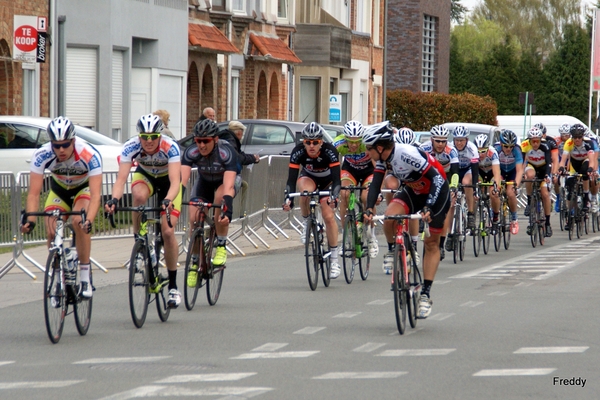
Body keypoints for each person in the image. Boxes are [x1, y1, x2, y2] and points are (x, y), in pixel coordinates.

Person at [362, 121, 450, 319]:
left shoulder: (405, 153)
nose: (367, 153)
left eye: (369, 148)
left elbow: (436, 178)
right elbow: (376, 182)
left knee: (431, 243)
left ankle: (426, 294)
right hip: (414, 189)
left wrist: (428, 206)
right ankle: (393, 250)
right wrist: (368, 208)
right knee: (390, 216)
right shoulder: (384, 158)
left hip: (436, 190)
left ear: (380, 147)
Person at [105, 114, 182, 307]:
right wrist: (114, 200)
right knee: (138, 196)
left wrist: (168, 200)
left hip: (168, 182)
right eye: (144, 137)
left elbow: (175, 181)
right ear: (139, 136)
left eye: (153, 137)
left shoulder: (170, 146)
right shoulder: (131, 146)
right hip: (146, 175)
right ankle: (139, 239)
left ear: (160, 135)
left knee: (167, 231)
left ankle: (173, 287)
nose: (149, 141)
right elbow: (121, 179)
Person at [21, 116, 103, 298]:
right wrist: (30, 220)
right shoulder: (42, 155)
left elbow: (96, 195)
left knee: (78, 221)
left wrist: (88, 219)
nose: (61, 149)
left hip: (83, 189)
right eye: (56, 145)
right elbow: (34, 193)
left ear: (73, 141)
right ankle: (58, 276)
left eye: (65, 144)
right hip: (59, 191)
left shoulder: (89, 154)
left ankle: (84, 276)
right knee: (51, 230)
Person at [180, 119, 241, 287]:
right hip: (205, 181)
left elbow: (228, 185)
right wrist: (174, 202)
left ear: (215, 139)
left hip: (227, 180)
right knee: (194, 218)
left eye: (205, 141)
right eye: (198, 141)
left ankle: (221, 244)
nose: (201, 145)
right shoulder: (191, 152)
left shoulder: (225, 151)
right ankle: (194, 263)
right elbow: (182, 181)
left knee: (219, 202)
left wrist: (227, 210)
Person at [282, 122, 342, 279]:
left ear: (321, 142)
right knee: (305, 192)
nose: (311, 146)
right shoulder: (298, 152)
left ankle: (334, 260)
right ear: (304, 142)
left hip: (328, 182)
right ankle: (307, 222)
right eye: (308, 142)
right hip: (309, 178)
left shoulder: (330, 151)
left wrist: (334, 197)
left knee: (328, 216)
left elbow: (337, 181)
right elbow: (290, 181)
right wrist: (288, 199)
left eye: (315, 142)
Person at [333, 120, 379, 259]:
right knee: (344, 193)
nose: (353, 145)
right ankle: (346, 237)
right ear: (345, 138)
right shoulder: (338, 144)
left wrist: (378, 190)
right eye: (350, 141)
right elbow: (332, 164)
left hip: (368, 171)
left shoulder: (367, 143)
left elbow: (377, 167)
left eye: (357, 141)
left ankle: (372, 236)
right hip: (350, 170)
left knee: (366, 197)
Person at [383, 127, 422, 266]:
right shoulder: (389, 149)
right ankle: (392, 207)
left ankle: (415, 247)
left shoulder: (418, 150)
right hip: (395, 174)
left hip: (412, 178)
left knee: (413, 212)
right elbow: (382, 172)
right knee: (391, 185)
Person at [420, 125, 459, 260]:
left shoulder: (451, 150)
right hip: (429, 177)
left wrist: (453, 187)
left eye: (443, 141)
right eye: (438, 141)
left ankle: (441, 245)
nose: (441, 144)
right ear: (432, 139)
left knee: (447, 207)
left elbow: (455, 172)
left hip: (446, 177)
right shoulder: (423, 148)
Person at [559, 124, 596, 229]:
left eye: (579, 137)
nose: (577, 139)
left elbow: (592, 160)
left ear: (582, 136)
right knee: (570, 189)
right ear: (572, 137)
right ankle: (571, 215)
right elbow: (563, 160)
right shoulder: (568, 143)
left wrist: (591, 168)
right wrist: (561, 168)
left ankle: (585, 197)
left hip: (585, 161)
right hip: (574, 164)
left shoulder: (588, 143)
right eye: (575, 137)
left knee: (585, 171)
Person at [521, 127, 553, 237]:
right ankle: (530, 202)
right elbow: (521, 162)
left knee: (544, 194)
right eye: (533, 141)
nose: (535, 144)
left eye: (537, 141)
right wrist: (521, 174)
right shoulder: (524, 145)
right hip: (532, 166)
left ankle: (548, 223)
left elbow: (549, 162)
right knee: (529, 176)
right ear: (529, 140)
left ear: (540, 140)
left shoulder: (545, 146)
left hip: (543, 168)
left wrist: (547, 175)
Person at [449, 125, 479, 232]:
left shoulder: (472, 149)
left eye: (461, 140)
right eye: (457, 140)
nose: (459, 143)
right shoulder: (450, 147)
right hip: (454, 169)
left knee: (466, 183)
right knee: (452, 195)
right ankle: (449, 230)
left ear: (466, 140)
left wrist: (475, 188)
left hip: (468, 170)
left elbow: (475, 172)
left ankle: (471, 213)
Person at [493, 129, 523, 234]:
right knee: (495, 191)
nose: (509, 149)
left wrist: (516, 185)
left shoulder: (517, 150)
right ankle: (495, 215)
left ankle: (514, 219)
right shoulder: (496, 149)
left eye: (511, 146)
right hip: (500, 172)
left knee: (511, 193)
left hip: (512, 172)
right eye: (506, 146)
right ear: (501, 144)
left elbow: (520, 171)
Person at [474, 134, 503, 229]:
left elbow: (497, 172)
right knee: (475, 193)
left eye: (483, 151)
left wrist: (496, 186)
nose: (480, 154)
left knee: (494, 194)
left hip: (492, 173)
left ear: (487, 149)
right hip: (480, 173)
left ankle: (495, 217)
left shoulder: (493, 153)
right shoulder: (473, 153)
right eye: (478, 151)